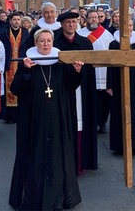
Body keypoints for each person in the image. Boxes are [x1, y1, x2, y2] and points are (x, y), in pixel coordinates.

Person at [9, 28, 84, 210]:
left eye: (49, 41)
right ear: (35, 43)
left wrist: (76, 72)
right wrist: (25, 72)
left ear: (53, 42)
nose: (45, 44)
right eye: (42, 41)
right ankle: (33, 198)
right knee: (35, 156)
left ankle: (57, 198)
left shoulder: (60, 61)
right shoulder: (28, 62)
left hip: (57, 117)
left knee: (57, 156)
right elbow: (16, 89)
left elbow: (70, 86)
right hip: (34, 120)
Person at [53, 11, 98, 174]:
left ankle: (82, 161)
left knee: (82, 123)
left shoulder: (85, 42)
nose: (71, 24)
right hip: (63, 89)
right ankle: (65, 162)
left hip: (83, 88)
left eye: (74, 21)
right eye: (68, 22)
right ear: (62, 24)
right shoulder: (56, 43)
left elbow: (91, 67)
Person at [107, 19, 135, 154]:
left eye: (131, 25)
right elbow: (110, 65)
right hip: (118, 82)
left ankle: (134, 143)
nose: (129, 28)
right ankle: (120, 145)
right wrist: (109, 85)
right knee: (119, 113)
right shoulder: (114, 44)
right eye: (126, 26)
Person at [77, 9, 115, 134]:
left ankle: (102, 122)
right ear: (86, 19)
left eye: (96, 17)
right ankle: (90, 122)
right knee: (89, 99)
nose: (93, 19)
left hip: (103, 72)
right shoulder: (80, 34)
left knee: (104, 101)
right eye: (91, 17)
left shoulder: (107, 34)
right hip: (87, 72)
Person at [4, 12, 30, 124]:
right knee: (8, 88)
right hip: (9, 65)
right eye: (14, 19)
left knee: (21, 87)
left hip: (21, 64)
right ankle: (10, 115)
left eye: (18, 19)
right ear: (10, 21)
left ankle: (21, 114)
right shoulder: (4, 33)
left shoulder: (25, 33)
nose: (16, 21)